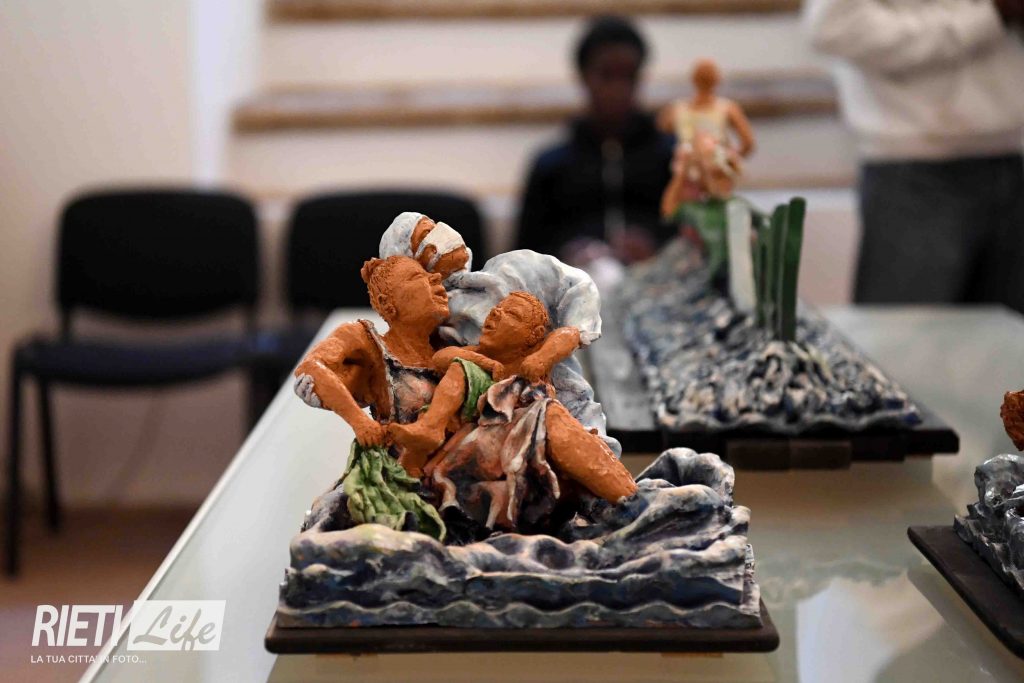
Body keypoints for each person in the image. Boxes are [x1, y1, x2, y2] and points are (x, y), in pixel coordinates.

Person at [804, 0, 1024, 311]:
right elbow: (835, 28)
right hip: (914, 169)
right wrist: (989, 17)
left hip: (1011, 160)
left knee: (1008, 338)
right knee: (904, 335)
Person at [515, 15, 674, 266]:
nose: (618, 89)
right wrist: (567, 255)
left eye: (629, 76)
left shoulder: (672, 158)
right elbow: (522, 255)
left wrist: (655, 245)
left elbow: (692, 238)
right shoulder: (551, 166)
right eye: (607, 76)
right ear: (583, 77)